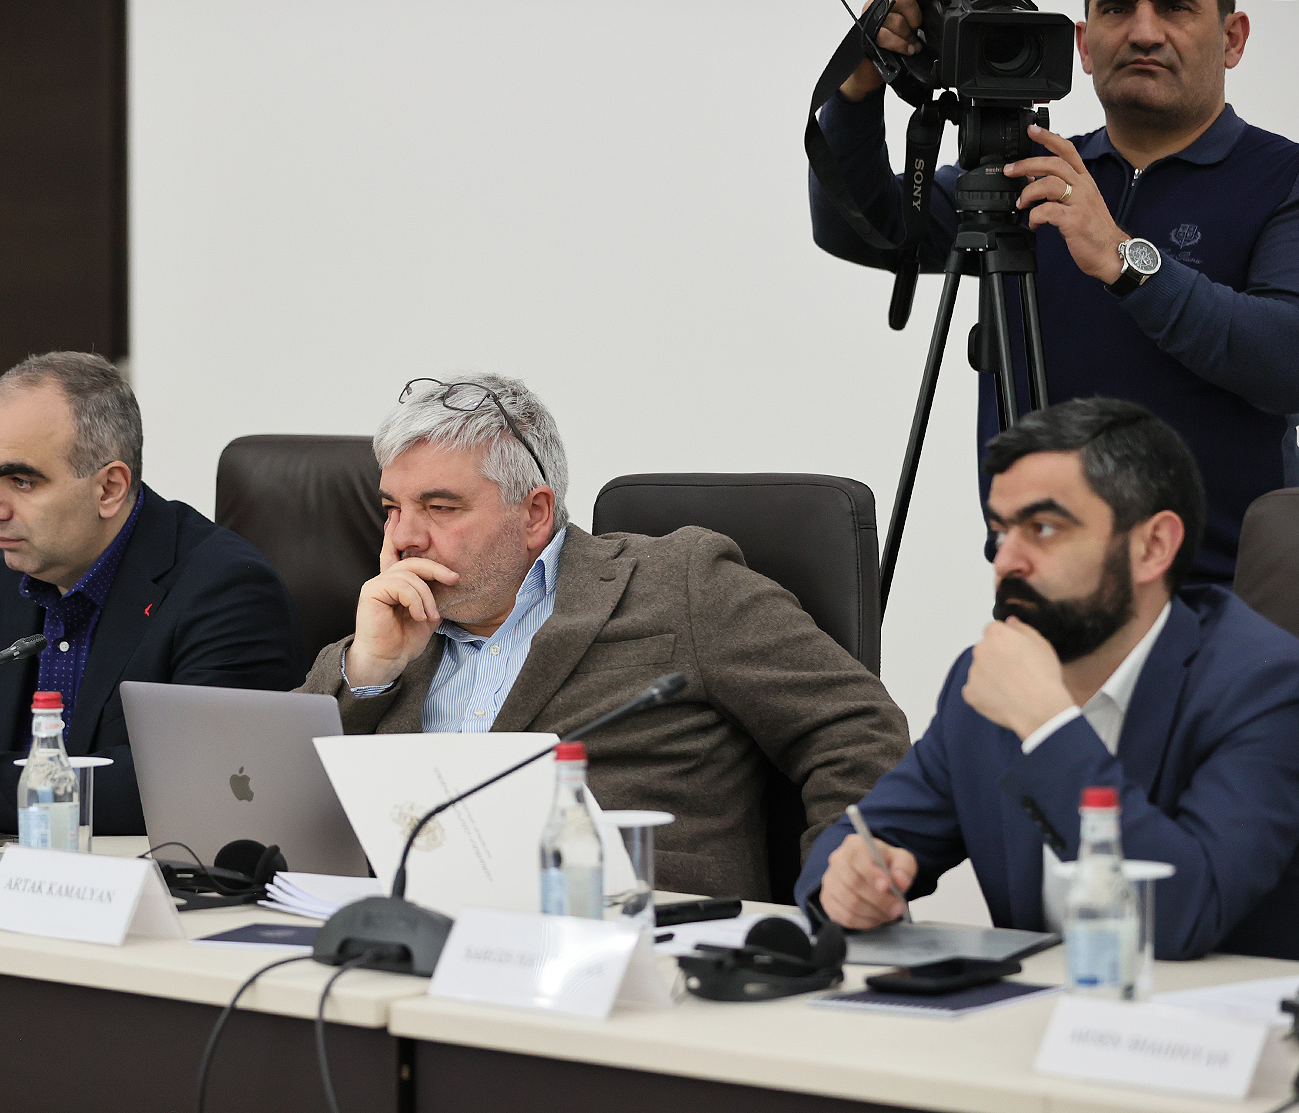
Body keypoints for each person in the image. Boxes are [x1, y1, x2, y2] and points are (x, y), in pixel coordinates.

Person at [297, 375, 910, 899]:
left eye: (440, 508)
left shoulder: (680, 582)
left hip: (632, 936)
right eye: (392, 508)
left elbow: (854, 726)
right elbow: (280, 791)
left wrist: (841, 879)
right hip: (401, 942)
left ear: (534, 514)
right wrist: (369, 669)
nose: (404, 537)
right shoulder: (389, 633)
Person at [810, 0, 1299, 583]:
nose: (1145, 32)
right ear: (1083, 45)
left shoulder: (1284, 178)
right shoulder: (1035, 173)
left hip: (1225, 599)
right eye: (1117, 9)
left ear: (1233, 38)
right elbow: (858, 224)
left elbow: (1287, 357)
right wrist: (858, 89)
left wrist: (1123, 259)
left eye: (1176, 8)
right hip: (1044, 589)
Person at [798, 398, 1299, 961]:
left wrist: (1047, 727)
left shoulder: (1267, 685)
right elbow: (858, 840)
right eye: (1000, 530)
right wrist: (849, 883)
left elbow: (1183, 917)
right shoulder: (984, 685)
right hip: (1038, 1008)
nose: (1006, 560)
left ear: (1152, 546)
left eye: (1043, 528)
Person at [0, 352, 306, 833]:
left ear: (109, 488)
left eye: (21, 480)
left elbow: (194, 784)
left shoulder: (226, 591)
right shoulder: (4, 584)